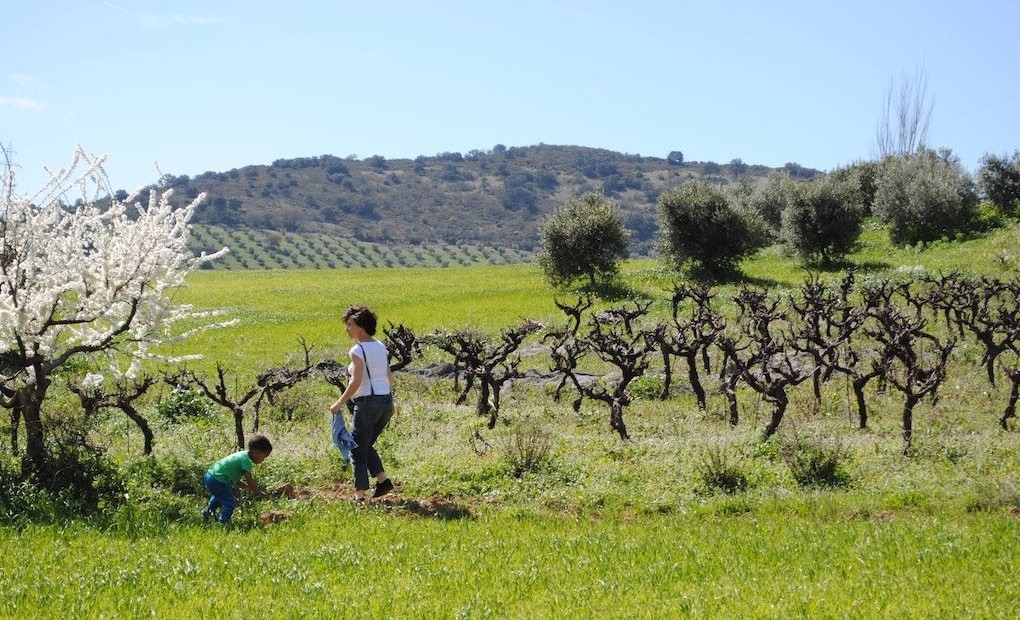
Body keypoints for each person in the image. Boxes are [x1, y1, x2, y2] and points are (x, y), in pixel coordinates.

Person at [330, 305, 395, 501]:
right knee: (364, 444)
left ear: (360, 326)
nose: (347, 329)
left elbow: (356, 381)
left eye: (350, 325)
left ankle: (360, 495)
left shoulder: (357, 350)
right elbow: (389, 376)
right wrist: (390, 401)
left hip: (368, 404)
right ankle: (383, 481)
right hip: (385, 402)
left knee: (357, 448)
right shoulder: (381, 346)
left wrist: (339, 403)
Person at [202, 433, 274, 524]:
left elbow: (232, 475)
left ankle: (207, 513)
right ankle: (223, 522)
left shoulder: (242, 455)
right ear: (257, 452)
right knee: (230, 502)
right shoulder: (246, 461)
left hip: (211, 476)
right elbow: (250, 480)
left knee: (220, 497)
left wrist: (244, 486)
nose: (263, 460)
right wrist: (259, 493)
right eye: (264, 456)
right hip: (217, 480)